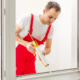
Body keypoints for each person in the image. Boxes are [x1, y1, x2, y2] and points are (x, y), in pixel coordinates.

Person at [16, 1, 61, 76]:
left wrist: (44, 52)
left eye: (55, 18)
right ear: (44, 11)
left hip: (30, 61)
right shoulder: (28, 18)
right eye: (50, 17)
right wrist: (26, 44)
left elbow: (48, 48)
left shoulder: (50, 28)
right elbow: (9, 34)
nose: (52, 21)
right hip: (15, 58)